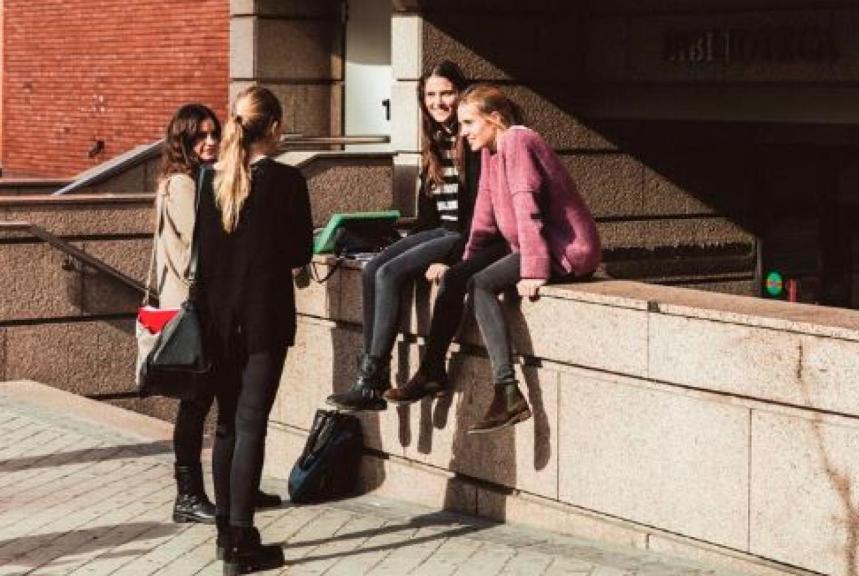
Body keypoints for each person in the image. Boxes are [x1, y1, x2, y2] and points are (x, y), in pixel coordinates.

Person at [325, 60, 500, 411]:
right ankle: (371, 378)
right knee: (374, 266)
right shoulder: (435, 138)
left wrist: (449, 258)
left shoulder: (473, 137)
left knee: (390, 274)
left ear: (461, 93)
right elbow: (428, 214)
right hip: (440, 228)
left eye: (446, 93)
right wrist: (403, 245)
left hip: (462, 234)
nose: (438, 102)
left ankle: (372, 379)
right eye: (430, 95)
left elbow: (481, 212)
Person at [196, 86, 312, 574]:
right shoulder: (286, 181)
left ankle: (226, 533)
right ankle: (243, 541)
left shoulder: (210, 179)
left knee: (225, 425)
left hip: (217, 321)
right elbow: (299, 253)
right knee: (250, 425)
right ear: (276, 127)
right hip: (264, 318)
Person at [154, 104, 281, 528]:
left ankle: (235, 490)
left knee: (218, 405)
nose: (209, 142)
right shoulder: (184, 185)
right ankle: (189, 494)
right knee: (198, 403)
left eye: (213, 133)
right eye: (198, 137)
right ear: (183, 143)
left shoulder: (206, 179)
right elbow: (201, 248)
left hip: (209, 305)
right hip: (194, 309)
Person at [455, 84, 601, 434]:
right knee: (473, 280)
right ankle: (506, 393)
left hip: (565, 251)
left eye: (469, 123)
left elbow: (528, 207)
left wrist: (534, 270)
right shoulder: (492, 151)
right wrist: (466, 261)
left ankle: (507, 392)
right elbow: (484, 215)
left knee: (482, 286)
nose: (463, 133)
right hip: (537, 249)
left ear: (495, 118)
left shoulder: (518, 142)